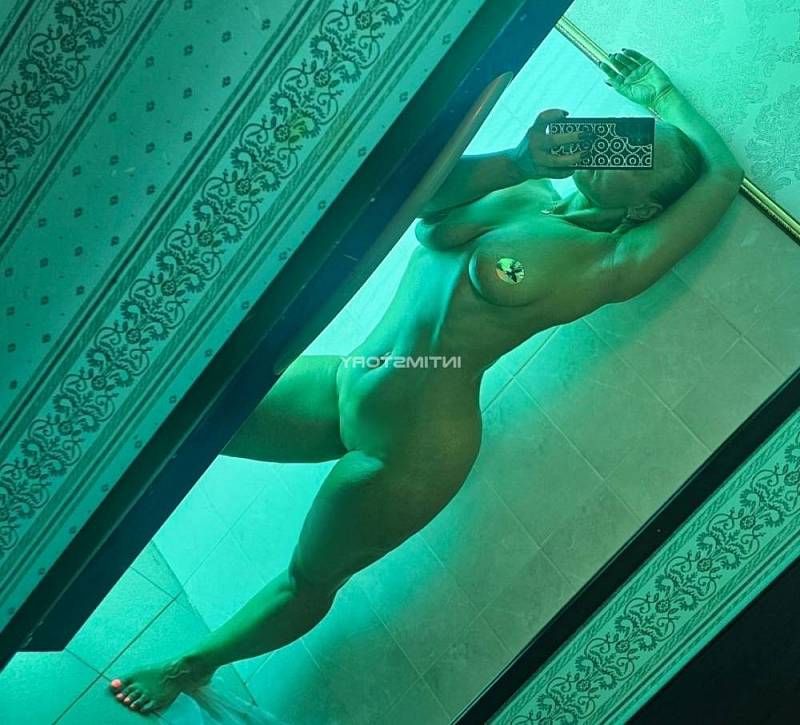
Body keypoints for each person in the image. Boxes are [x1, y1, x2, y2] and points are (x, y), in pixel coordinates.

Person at [109, 49, 742, 713]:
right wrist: (519, 161)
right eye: (626, 139)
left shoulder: (612, 259)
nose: (617, 150)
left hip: (412, 447)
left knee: (310, 577)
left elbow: (724, 173)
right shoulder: (526, 191)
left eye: (636, 160)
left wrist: (663, 97)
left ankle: (187, 666)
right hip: (348, 381)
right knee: (179, 418)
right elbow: (422, 199)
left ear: (645, 209)